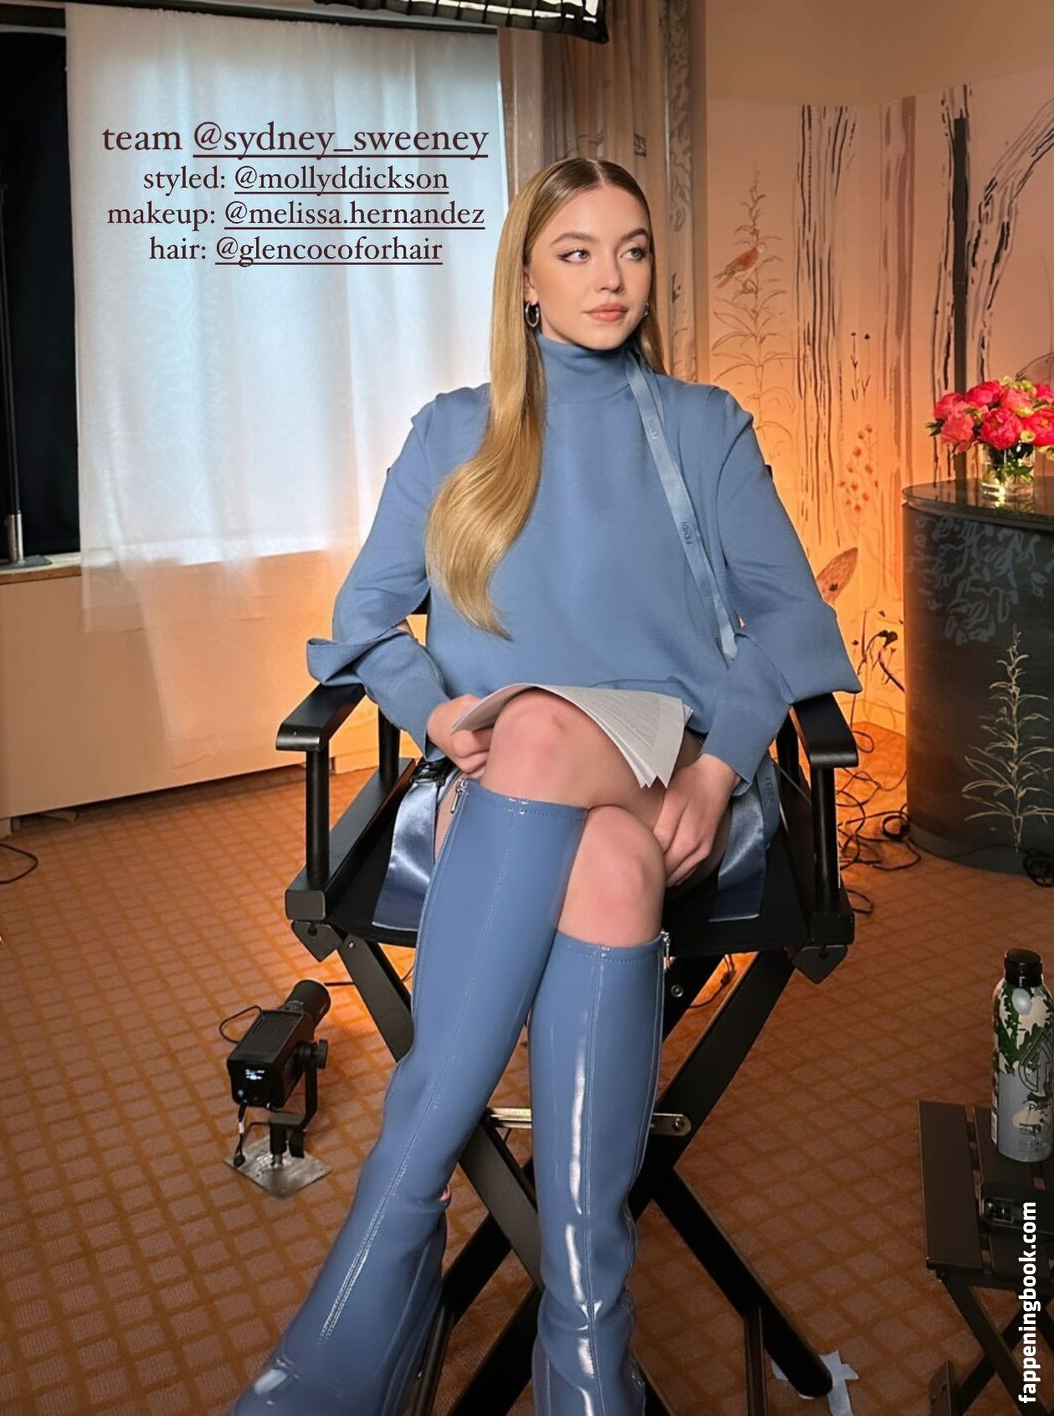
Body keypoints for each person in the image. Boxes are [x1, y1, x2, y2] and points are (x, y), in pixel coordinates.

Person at [229, 157, 861, 1416]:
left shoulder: (704, 425)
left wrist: (721, 767)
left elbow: (793, 615)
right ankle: (587, 1352)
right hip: (509, 788)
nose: (610, 278)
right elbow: (364, 619)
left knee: (541, 736)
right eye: (577, 252)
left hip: (669, 759)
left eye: (632, 250)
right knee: (597, 852)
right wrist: (432, 711)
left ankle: (386, 1242)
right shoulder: (453, 432)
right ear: (525, 278)